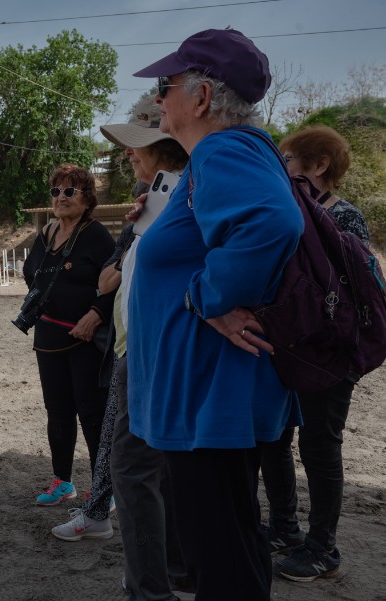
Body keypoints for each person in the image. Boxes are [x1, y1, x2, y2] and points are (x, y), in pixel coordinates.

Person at [127, 29, 304, 600]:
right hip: (208, 393)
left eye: (166, 85)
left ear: (202, 97)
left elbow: (274, 223)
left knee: (218, 552)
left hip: (209, 394)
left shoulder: (225, 148)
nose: (159, 99)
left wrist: (211, 298)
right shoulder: (222, 154)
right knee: (230, 540)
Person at [55, 97, 196, 599]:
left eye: (135, 147)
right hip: (143, 342)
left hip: (151, 347)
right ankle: (177, 573)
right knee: (162, 467)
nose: (127, 156)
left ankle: (149, 587)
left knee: (132, 468)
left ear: (161, 145)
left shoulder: (183, 192)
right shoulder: (160, 193)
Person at [260, 125, 370, 582]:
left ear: (318, 164)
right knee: (274, 437)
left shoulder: (344, 218)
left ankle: (323, 547)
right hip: (288, 348)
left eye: (287, 159)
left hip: (330, 352)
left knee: (320, 445)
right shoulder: (288, 210)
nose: (281, 167)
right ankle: (285, 526)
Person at [22, 163, 115, 506]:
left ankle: (104, 486)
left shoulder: (96, 235)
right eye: (56, 191)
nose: (60, 198)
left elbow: (115, 284)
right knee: (57, 413)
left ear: (87, 198)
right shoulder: (46, 234)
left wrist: (95, 315)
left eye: (69, 191)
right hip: (48, 337)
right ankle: (62, 481)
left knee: (92, 414)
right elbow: (30, 273)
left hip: (85, 338)